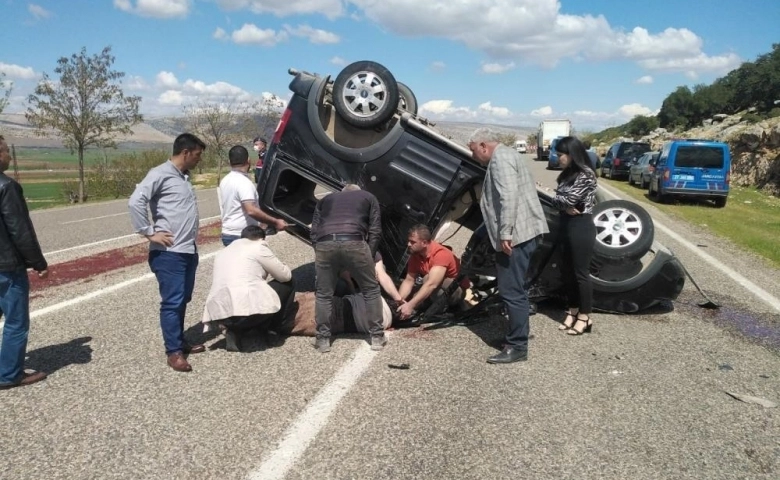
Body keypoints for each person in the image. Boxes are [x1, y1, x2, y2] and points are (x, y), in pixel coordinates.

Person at [468, 128, 549, 364]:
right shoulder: (509, 154)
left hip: (517, 235)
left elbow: (508, 196)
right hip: (522, 232)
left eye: (474, 151)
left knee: (511, 290)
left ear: (483, 145)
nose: (474, 156)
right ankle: (516, 337)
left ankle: (517, 346)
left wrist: (505, 233)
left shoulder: (500, 158)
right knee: (515, 288)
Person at [128, 133, 207, 373]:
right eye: (197, 155)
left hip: (187, 250)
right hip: (169, 253)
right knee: (172, 302)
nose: (198, 160)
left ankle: (180, 340)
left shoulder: (183, 176)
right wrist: (149, 232)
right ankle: (173, 352)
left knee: (183, 299)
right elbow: (135, 202)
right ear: (185, 152)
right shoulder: (159, 173)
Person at [310, 184, 385, 352]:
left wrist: (319, 249)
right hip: (354, 240)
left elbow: (314, 230)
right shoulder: (368, 196)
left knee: (323, 294)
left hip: (325, 242)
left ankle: (323, 339)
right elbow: (375, 230)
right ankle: (377, 337)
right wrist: (369, 256)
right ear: (357, 192)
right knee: (371, 290)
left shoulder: (325, 199)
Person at [0, 135, 49, 389]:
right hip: (6, 267)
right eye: (6, 151)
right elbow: (20, 231)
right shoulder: (7, 186)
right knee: (16, 322)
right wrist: (38, 263)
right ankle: (8, 374)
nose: (9, 156)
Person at [202, 225, 294, 352]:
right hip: (247, 312)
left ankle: (233, 329)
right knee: (287, 283)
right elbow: (284, 276)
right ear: (261, 238)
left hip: (219, 314)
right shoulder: (258, 246)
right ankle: (271, 328)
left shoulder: (223, 252)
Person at [550, 136, 598, 335]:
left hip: (581, 225)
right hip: (565, 223)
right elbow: (561, 200)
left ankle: (585, 317)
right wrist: (561, 201)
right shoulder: (567, 173)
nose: (558, 158)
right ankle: (572, 311)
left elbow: (568, 198)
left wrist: (559, 199)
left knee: (580, 273)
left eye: (561, 155)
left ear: (572, 154)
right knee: (567, 272)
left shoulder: (585, 174)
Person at [395, 224, 467, 322]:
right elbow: (409, 280)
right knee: (414, 297)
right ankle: (430, 303)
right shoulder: (416, 255)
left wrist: (410, 305)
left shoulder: (440, 254)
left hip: (456, 291)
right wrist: (398, 301)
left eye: (412, 242)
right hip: (435, 286)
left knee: (427, 279)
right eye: (409, 241)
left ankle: (447, 309)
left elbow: (432, 284)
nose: (408, 244)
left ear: (424, 243)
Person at [219, 145, 287, 246]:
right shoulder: (244, 183)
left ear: (229, 162)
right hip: (242, 235)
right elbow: (251, 210)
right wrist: (275, 222)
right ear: (248, 160)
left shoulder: (225, 181)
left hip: (228, 233)